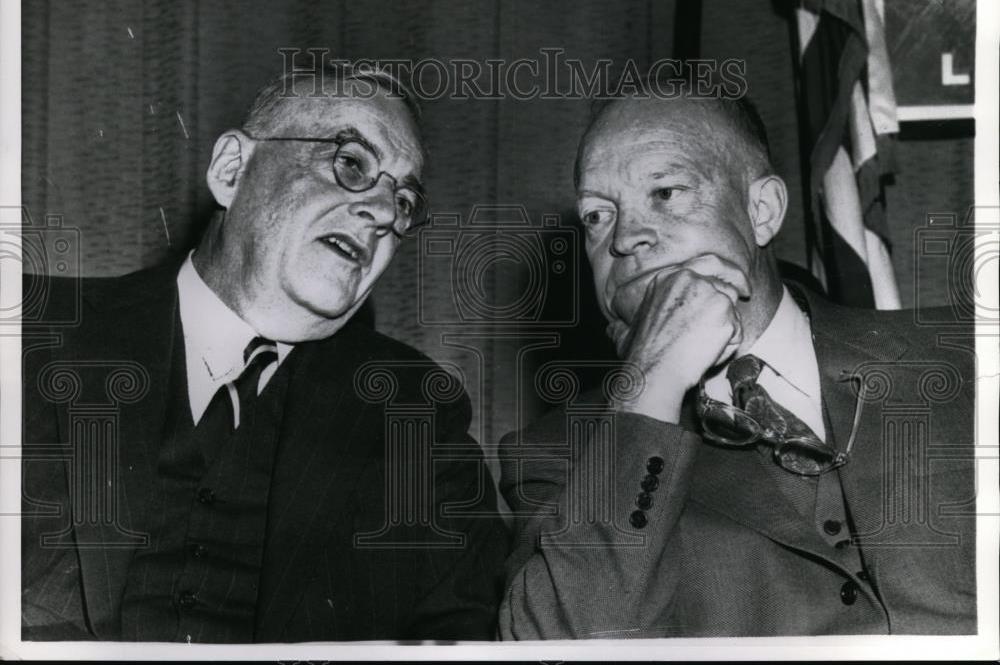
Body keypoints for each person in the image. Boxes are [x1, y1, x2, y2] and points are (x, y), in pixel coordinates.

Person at [21, 64, 508, 642]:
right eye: (352, 163)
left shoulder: (415, 411)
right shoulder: (30, 331)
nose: (381, 212)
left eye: (403, 201)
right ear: (232, 169)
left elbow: (459, 636)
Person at [498, 88, 977, 638]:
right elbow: (558, 649)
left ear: (762, 211)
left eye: (666, 192)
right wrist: (650, 382)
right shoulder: (559, 453)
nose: (625, 238)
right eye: (598, 216)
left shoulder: (968, 353)